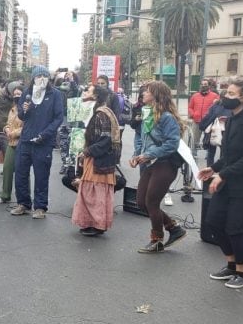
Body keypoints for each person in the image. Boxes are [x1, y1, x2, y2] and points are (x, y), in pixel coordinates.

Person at [199, 80, 243, 289]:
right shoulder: (230, 120)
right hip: (228, 181)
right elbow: (229, 155)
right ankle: (230, 264)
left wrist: (223, 175)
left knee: (235, 228)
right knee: (213, 221)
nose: (225, 96)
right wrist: (213, 168)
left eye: (231, 93)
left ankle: (242, 272)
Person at [129, 81, 187, 253]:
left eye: (146, 91)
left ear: (156, 95)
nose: (143, 94)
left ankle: (157, 240)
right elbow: (141, 138)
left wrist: (149, 154)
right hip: (150, 163)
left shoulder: (167, 117)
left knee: (151, 202)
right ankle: (174, 228)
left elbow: (172, 144)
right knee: (141, 202)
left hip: (165, 164)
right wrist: (136, 155)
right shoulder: (147, 113)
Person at [12, 66, 65, 218]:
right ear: (33, 78)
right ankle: (23, 203)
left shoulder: (55, 94)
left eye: (44, 76)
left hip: (43, 142)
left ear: (49, 78)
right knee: (21, 173)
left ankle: (40, 207)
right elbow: (21, 116)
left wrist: (45, 134)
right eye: (38, 76)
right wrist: (24, 109)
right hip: (26, 140)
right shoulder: (27, 93)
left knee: (41, 175)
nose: (41, 78)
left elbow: (58, 118)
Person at [71, 84, 121, 236]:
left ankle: (98, 225)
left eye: (88, 91)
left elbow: (105, 140)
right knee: (91, 193)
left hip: (100, 160)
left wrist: (87, 151)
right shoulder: (99, 112)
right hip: (98, 158)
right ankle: (91, 223)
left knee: (95, 194)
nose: (84, 92)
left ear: (96, 96)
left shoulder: (101, 114)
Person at [0, 82, 24, 204]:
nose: (16, 95)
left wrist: (15, 133)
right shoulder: (12, 109)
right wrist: (5, 128)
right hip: (11, 142)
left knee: (22, 172)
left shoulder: (27, 108)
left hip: (22, 143)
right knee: (7, 168)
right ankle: (5, 195)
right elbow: (7, 123)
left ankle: (23, 199)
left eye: (19, 93)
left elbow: (28, 126)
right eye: (15, 93)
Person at [189, 79, 220, 157]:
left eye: (205, 84)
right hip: (197, 121)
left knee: (209, 139)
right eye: (202, 84)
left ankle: (208, 154)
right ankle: (193, 153)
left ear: (208, 86)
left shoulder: (215, 96)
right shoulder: (195, 96)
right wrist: (193, 114)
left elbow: (218, 107)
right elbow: (190, 107)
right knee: (195, 138)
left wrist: (213, 116)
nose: (203, 86)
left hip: (209, 122)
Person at [199, 95, 232, 166]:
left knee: (211, 152)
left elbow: (208, 116)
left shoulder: (215, 106)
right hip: (225, 131)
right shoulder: (231, 108)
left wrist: (203, 126)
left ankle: (209, 167)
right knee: (223, 151)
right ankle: (221, 168)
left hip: (213, 130)